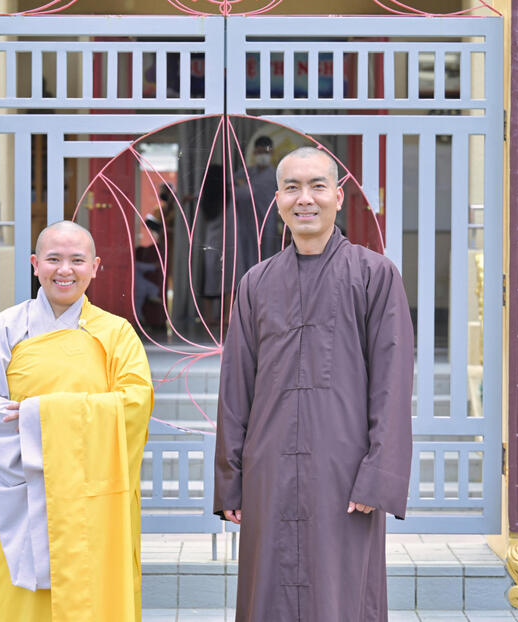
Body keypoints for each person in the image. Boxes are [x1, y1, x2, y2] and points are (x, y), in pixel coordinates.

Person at [213, 146, 414, 622]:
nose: (305, 199)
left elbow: (392, 382)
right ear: (278, 200)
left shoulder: (374, 275)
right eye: (291, 188)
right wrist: (231, 482)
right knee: (269, 593)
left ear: (339, 197)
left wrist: (378, 475)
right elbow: (235, 386)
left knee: (341, 593)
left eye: (317, 186)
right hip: (269, 470)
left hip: (343, 471)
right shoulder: (256, 283)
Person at [0, 221, 153, 622]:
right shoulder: (5, 330)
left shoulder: (117, 335)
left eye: (77, 260)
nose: (65, 270)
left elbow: (135, 405)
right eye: (54, 259)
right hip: (25, 488)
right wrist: (37, 426)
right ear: (35, 264)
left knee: (93, 597)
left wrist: (38, 413)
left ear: (95, 266)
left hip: (92, 496)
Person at [233, 135, 281, 279]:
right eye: (259, 152)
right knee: (245, 266)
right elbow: (227, 188)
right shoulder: (245, 173)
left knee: (267, 264)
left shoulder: (277, 176)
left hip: (268, 226)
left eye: (265, 152)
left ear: (271, 153)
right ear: (254, 153)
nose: (262, 156)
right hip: (245, 227)